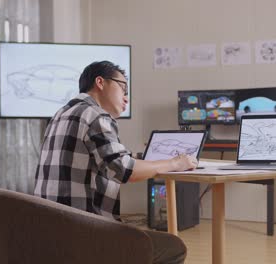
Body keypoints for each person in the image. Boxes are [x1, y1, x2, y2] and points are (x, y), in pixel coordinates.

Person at [34, 60, 197, 264]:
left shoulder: (60, 115)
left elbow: (109, 161)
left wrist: (140, 162)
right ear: (100, 82)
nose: (126, 98)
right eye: (123, 88)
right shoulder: (95, 115)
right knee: (173, 246)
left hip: (50, 233)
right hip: (84, 235)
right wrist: (174, 163)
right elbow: (126, 171)